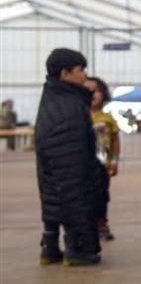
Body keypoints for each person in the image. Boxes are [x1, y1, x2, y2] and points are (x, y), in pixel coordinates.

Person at [34, 48, 102, 266]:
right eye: (80, 70)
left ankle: (50, 245)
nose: (84, 75)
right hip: (70, 164)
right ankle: (77, 249)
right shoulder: (69, 105)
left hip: (55, 164)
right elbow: (72, 180)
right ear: (65, 74)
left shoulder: (53, 97)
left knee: (52, 192)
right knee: (72, 191)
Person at [84, 76, 120, 241]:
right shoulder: (79, 116)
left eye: (97, 90)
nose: (93, 94)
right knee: (84, 195)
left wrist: (114, 161)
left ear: (104, 94)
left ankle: (101, 223)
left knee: (101, 194)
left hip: (102, 165)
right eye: (88, 90)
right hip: (82, 164)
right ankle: (86, 225)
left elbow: (115, 140)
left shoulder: (108, 118)